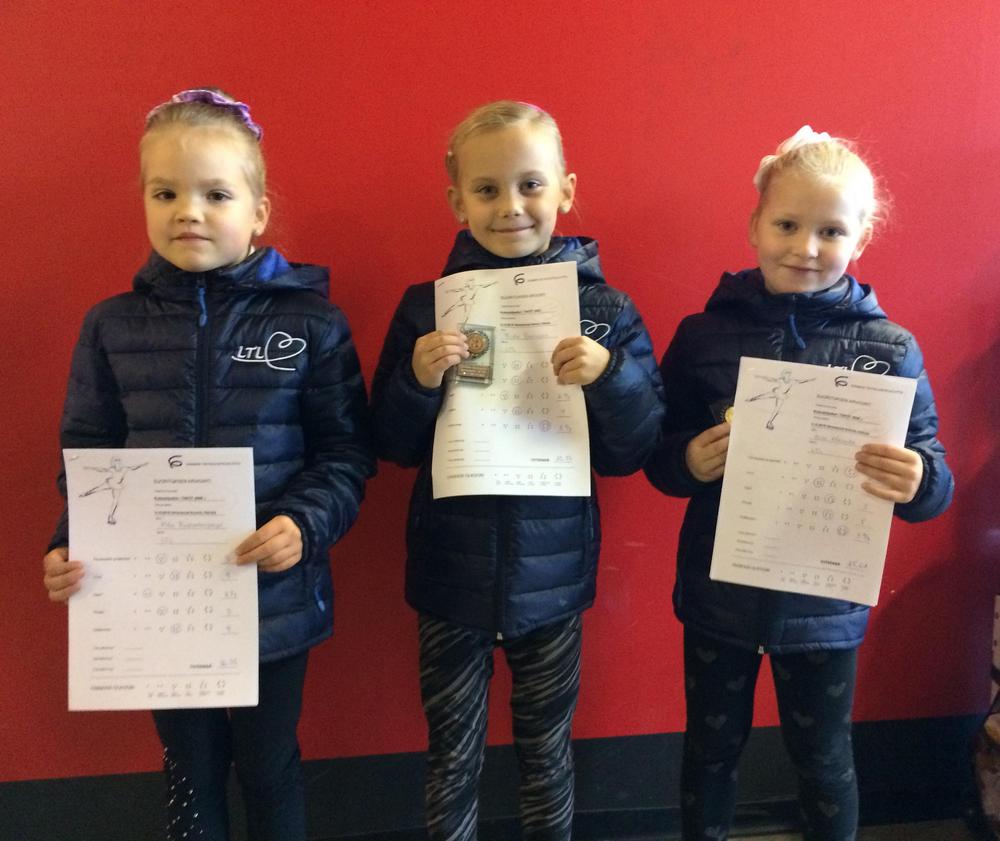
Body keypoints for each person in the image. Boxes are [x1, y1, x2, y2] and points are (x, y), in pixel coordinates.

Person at [41, 88, 374, 841]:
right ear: (144, 201)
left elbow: (346, 452)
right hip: (156, 601)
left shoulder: (311, 322)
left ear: (258, 212)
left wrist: (303, 524)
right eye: (166, 193)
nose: (188, 211)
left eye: (215, 194)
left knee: (268, 765)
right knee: (189, 767)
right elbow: (88, 457)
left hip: (272, 595)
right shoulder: (111, 325)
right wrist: (70, 543)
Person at [643, 125, 954, 841]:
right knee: (709, 751)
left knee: (823, 759)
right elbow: (658, 455)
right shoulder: (703, 336)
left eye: (831, 231)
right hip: (720, 596)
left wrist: (918, 479)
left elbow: (934, 477)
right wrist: (688, 460)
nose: (805, 247)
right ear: (755, 225)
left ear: (861, 237)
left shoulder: (892, 349)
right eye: (787, 225)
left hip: (825, 604)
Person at [369, 100, 664, 840]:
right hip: (450, 574)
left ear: (566, 189)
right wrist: (416, 377)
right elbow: (388, 442)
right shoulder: (427, 310)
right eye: (487, 189)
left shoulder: (605, 310)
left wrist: (611, 374)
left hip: (553, 578)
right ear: (457, 202)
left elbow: (634, 450)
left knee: (547, 751)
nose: (510, 207)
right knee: (452, 755)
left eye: (530, 184)